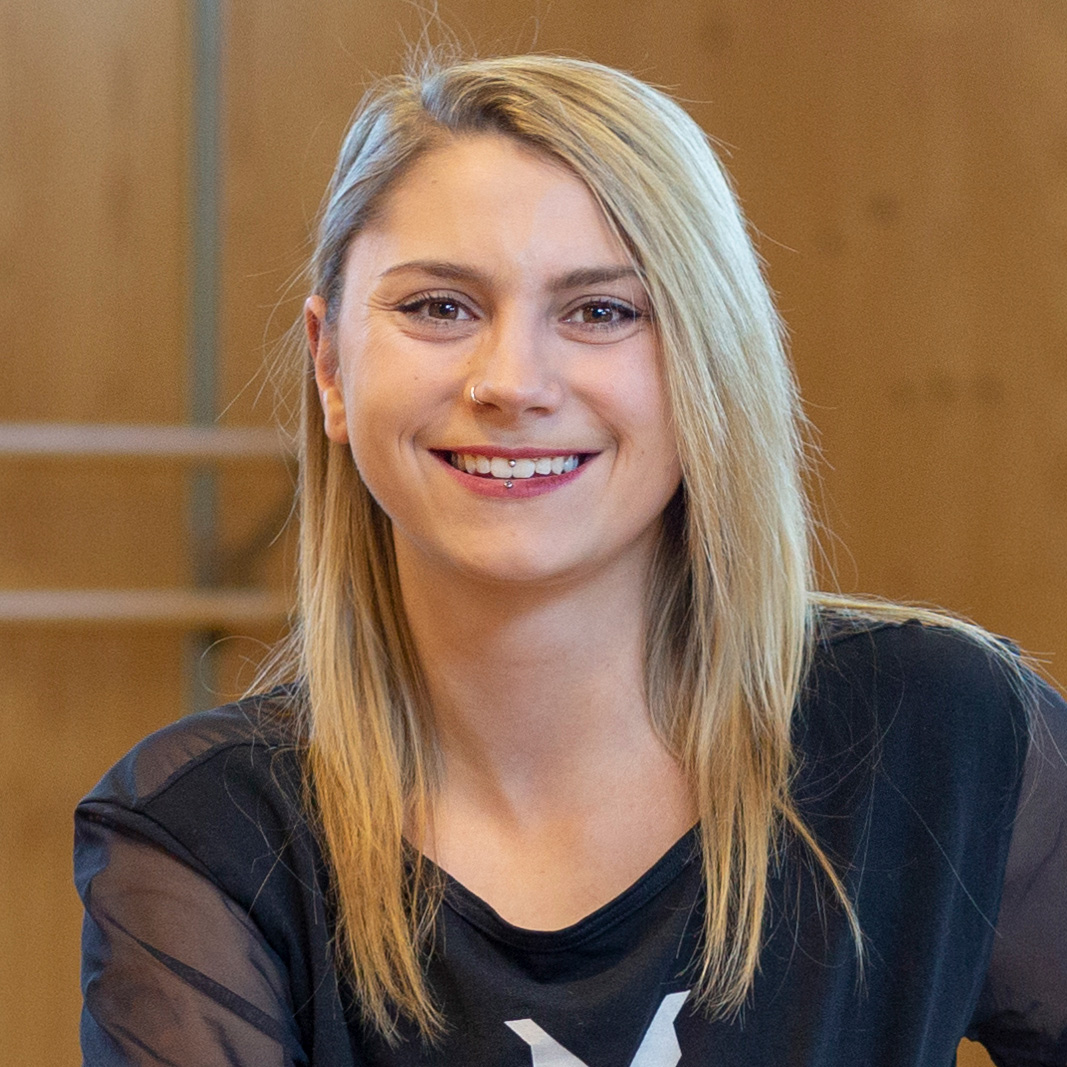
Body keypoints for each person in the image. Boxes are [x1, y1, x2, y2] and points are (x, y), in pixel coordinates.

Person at [75, 54, 1067, 1065]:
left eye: (601, 312)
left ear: (710, 361)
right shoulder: (202, 832)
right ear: (330, 365)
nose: (512, 382)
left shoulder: (950, 731)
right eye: (439, 307)